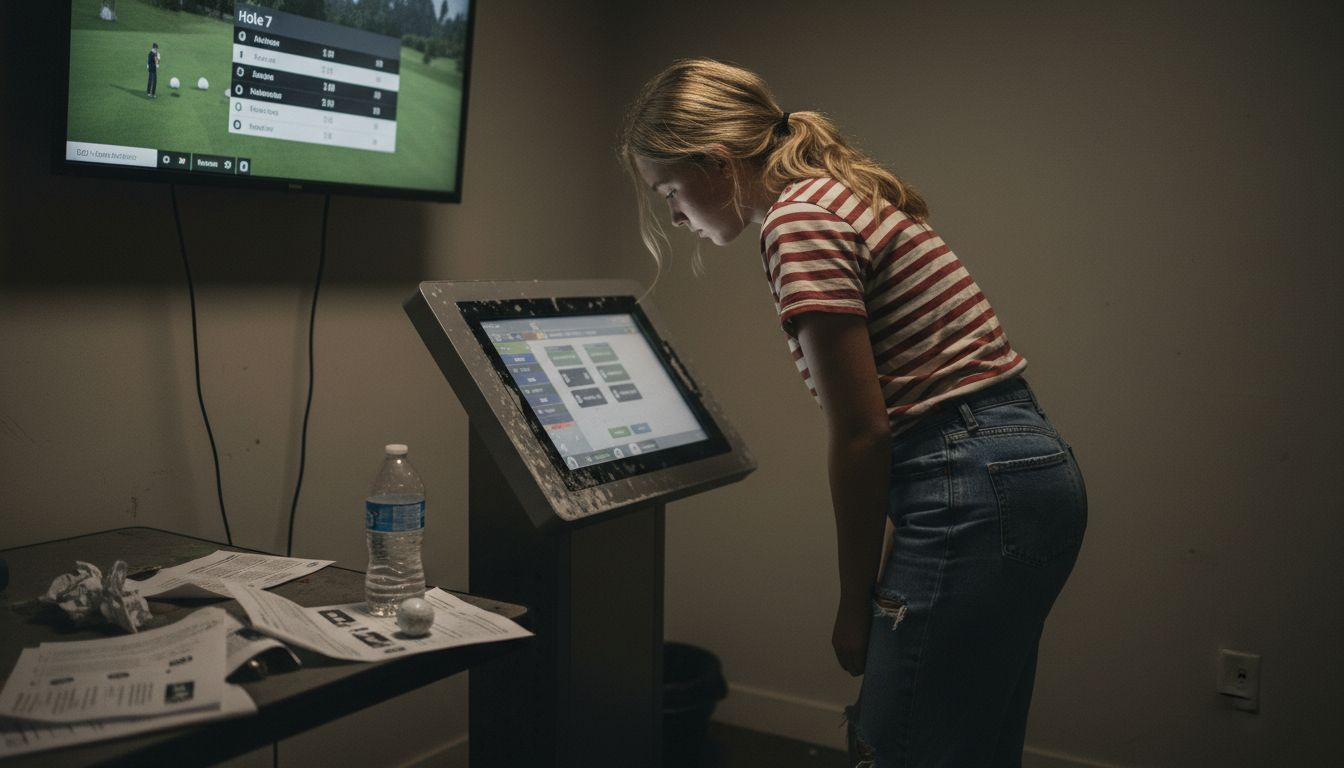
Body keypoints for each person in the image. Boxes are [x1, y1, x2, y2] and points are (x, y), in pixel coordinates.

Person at [619, 58, 1087, 768]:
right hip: (1018, 468)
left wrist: (851, 603)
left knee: (898, 746)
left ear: (715, 164)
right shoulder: (836, 195)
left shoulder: (797, 220)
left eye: (670, 190)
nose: (676, 214)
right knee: (972, 744)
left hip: (968, 472)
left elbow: (864, 433)